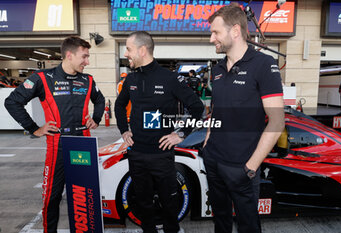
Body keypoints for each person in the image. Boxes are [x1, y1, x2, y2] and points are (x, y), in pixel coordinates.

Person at [5, 36, 105, 233]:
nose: (88, 61)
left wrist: (97, 118)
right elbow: (12, 102)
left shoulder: (88, 79)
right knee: (52, 197)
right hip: (57, 145)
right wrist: (35, 128)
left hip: (82, 145)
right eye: (84, 57)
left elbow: (100, 99)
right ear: (69, 55)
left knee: (85, 196)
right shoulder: (43, 78)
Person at [203, 3, 285, 233]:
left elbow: (277, 122)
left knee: (248, 226)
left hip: (243, 167)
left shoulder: (264, 65)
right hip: (213, 161)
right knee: (220, 221)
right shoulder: (217, 69)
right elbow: (215, 111)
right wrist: (208, 142)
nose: (212, 39)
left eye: (216, 32)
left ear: (235, 31)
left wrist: (250, 167)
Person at [115, 31, 203, 233]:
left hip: (162, 155)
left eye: (129, 49)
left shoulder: (170, 79)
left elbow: (197, 108)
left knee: (169, 203)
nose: (126, 54)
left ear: (142, 50)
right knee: (144, 203)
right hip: (136, 153)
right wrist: (123, 130)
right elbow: (119, 106)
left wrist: (180, 134)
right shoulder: (131, 79)